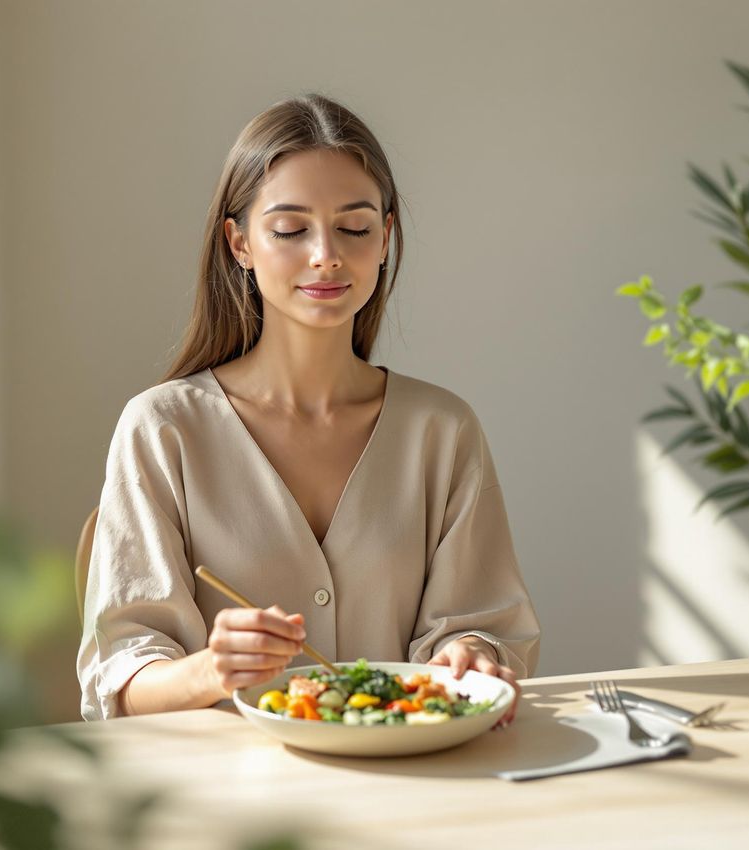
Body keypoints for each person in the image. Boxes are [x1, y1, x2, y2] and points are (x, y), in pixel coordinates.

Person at [78, 93, 540, 729]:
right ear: (239, 244)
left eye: (354, 228)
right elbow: (121, 679)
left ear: (385, 237)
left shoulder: (442, 430)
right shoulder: (162, 429)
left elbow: (484, 630)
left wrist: (473, 654)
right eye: (290, 230)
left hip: (412, 791)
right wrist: (212, 668)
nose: (326, 254)